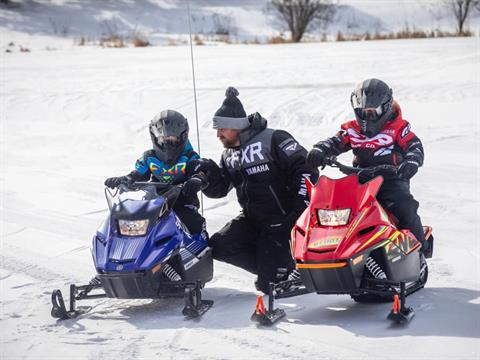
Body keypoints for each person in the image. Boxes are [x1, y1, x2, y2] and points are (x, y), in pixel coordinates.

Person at [193, 87, 318, 293]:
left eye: (221, 129)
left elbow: (306, 169)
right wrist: (209, 174)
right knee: (220, 245)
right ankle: (277, 268)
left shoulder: (274, 138)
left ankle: (284, 269)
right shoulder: (229, 155)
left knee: (268, 287)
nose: (218, 135)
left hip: (284, 220)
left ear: (236, 127)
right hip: (253, 219)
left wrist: (299, 210)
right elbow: (220, 190)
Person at [306, 78, 430, 255]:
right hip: (359, 180)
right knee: (336, 209)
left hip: (391, 179)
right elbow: (334, 142)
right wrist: (320, 150)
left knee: (404, 206)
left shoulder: (398, 127)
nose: (368, 116)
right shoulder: (351, 129)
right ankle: (331, 251)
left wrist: (411, 161)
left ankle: (419, 251)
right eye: (364, 112)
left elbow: (414, 146)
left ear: (386, 107)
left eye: (373, 111)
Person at [104, 109, 207, 237]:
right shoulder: (149, 157)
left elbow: (200, 171)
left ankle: (201, 250)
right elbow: (139, 174)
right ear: (155, 137)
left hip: (182, 202)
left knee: (193, 224)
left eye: (172, 138)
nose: (168, 142)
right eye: (163, 138)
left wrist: (197, 179)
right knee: (128, 226)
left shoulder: (190, 157)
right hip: (153, 204)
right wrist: (124, 179)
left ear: (182, 136)